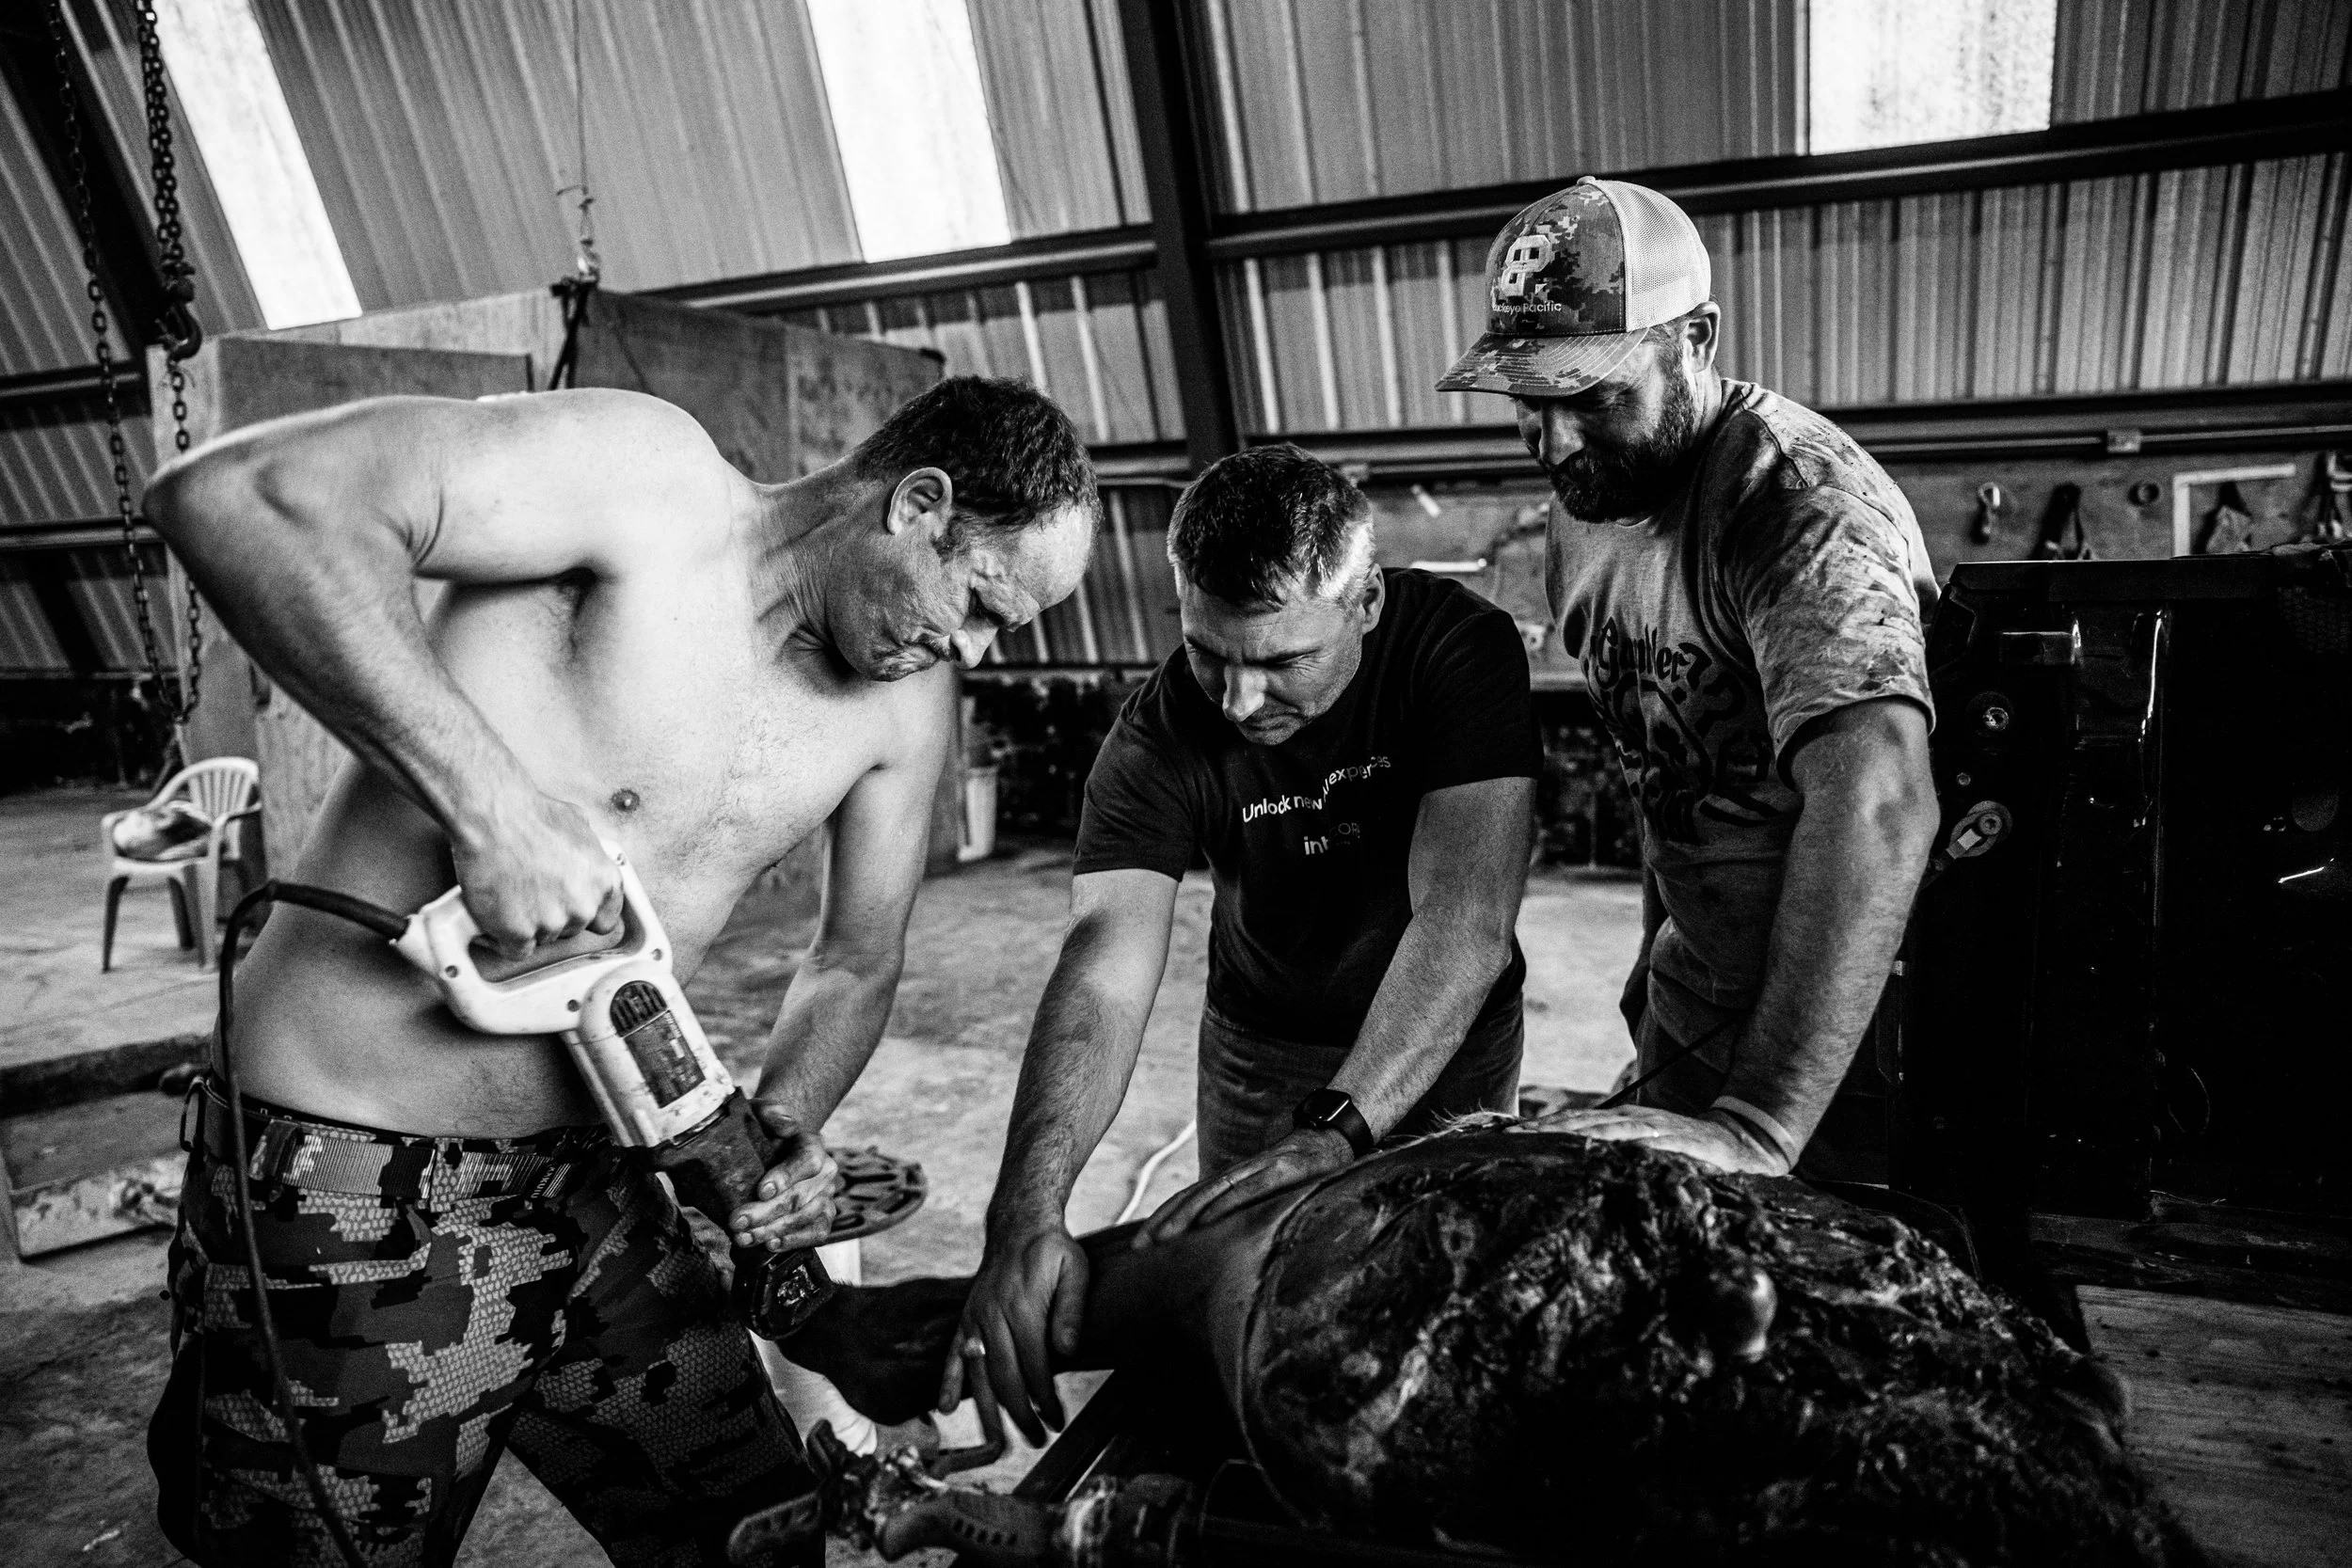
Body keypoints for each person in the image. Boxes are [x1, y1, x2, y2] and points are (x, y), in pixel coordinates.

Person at [139, 374, 1098, 1566]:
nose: (972, 647)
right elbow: (243, 497)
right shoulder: (648, 486)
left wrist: (780, 1138)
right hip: (347, 1177)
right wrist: (489, 806)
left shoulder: (902, 706)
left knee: (759, 1535)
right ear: (918, 503)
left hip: (596, 1181)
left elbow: (856, 958)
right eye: (980, 601)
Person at [780, 1117, 2186, 1568]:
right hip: (1456, 1234)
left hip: (1480, 1226)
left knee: (1119, 1297)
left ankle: (835, 1318)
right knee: (1105, 1294)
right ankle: (834, 1315)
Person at [950, 445, 1541, 1445]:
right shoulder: (1157, 734)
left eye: (1281, 662)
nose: (1236, 699)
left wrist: (1337, 1129)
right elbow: (1105, 966)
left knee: (1454, 1299)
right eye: (1207, 652)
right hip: (1261, 1045)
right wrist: (1025, 1211)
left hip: (1449, 1039)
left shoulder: (1456, 647)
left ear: (1366, 602)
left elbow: (1464, 918)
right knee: (1255, 1307)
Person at [1434, 175, 1942, 1182]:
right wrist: (1655, 975)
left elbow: (1881, 805)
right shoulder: (1585, 504)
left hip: (1849, 1046)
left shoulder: (1800, 510)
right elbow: (1662, 765)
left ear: (1695, 339)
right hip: (1695, 1010)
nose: (1554, 444)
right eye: (1528, 402)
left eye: (1592, 398)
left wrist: (1760, 1121)